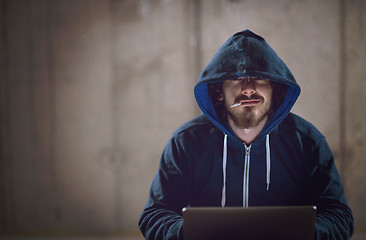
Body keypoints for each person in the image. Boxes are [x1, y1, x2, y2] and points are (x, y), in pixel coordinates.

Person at [138, 29, 354, 240]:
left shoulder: (307, 142)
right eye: (236, 78)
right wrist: (193, 234)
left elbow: (339, 216)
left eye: (259, 79)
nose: (249, 89)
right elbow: (155, 214)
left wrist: (303, 233)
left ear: (274, 90)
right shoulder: (185, 142)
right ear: (219, 92)